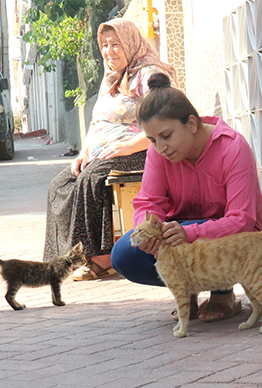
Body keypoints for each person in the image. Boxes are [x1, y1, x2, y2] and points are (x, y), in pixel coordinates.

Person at [111, 72, 262, 322]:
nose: (160, 148)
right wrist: (150, 231)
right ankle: (186, 292)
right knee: (123, 255)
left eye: (166, 135)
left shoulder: (233, 147)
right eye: (152, 139)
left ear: (192, 124)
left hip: (229, 242)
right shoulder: (157, 153)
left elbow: (243, 220)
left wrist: (191, 233)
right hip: (176, 235)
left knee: (219, 234)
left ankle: (222, 293)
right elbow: (148, 203)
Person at [43, 18, 177, 280]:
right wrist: (83, 153)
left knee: (92, 179)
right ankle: (69, 258)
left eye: (116, 44)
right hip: (104, 151)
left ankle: (101, 259)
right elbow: (96, 123)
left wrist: (128, 147)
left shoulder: (146, 74)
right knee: (59, 186)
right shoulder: (112, 79)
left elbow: (166, 117)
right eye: (104, 45)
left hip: (141, 149)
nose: (109, 51)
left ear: (130, 43)